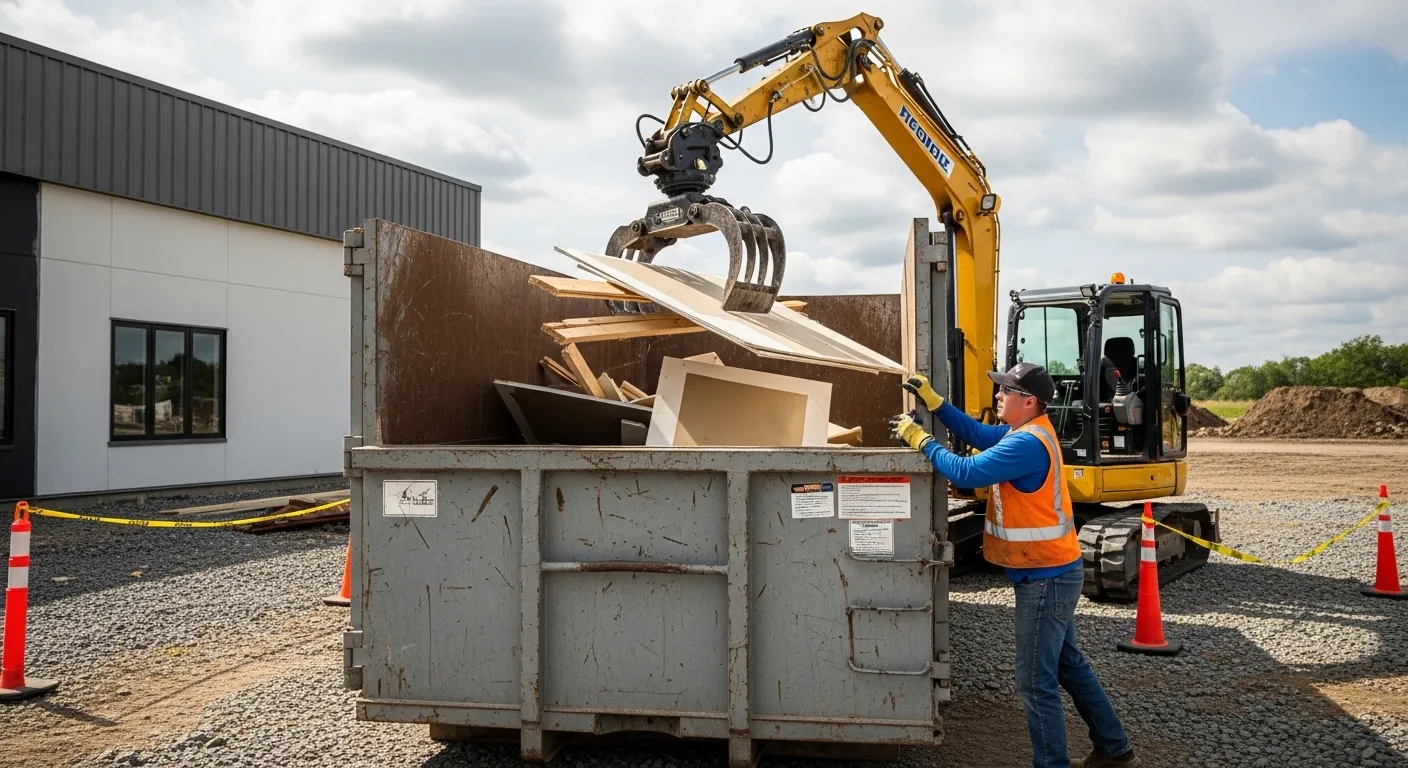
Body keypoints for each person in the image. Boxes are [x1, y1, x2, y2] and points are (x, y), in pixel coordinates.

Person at [889, 362, 1140, 768]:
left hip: (1045, 578)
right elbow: (977, 433)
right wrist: (937, 404)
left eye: (1006, 390)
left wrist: (921, 439)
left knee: (1035, 682)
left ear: (1029, 401)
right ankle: (1115, 749)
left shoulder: (1025, 444)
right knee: (1068, 665)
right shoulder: (1025, 430)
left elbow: (966, 471)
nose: (998, 395)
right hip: (1053, 570)